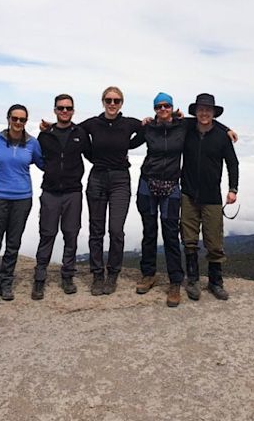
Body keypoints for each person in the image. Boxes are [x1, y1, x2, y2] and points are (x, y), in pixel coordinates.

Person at [130, 92, 236, 307]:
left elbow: (211, 128)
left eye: (166, 106)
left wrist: (227, 130)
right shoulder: (157, 127)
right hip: (153, 186)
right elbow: (131, 144)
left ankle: (183, 282)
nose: (163, 109)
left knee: (176, 236)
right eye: (158, 106)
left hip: (179, 188)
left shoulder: (184, 126)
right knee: (153, 232)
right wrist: (139, 125)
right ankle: (156, 276)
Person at [80, 87, 143, 296]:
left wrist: (128, 145)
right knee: (96, 230)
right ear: (103, 101)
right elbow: (73, 132)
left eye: (116, 100)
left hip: (120, 180)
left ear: (122, 103)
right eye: (109, 100)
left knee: (116, 229)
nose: (112, 104)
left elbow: (145, 131)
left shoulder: (128, 123)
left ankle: (113, 274)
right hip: (97, 177)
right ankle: (98, 275)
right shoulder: (92, 124)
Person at [31, 94, 91, 300]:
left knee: (71, 234)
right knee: (47, 234)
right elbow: (39, 159)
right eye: (61, 108)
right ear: (55, 110)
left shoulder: (80, 133)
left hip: (73, 191)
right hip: (50, 191)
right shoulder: (45, 135)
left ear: (73, 110)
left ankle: (68, 276)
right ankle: (39, 278)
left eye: (68, 108)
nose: (64, 111)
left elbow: (91, 153)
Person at [180, 93, 239, 301]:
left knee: (214, 243)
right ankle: (193, 281)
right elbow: (174, 119)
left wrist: (233, 189)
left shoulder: (221, 137)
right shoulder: (187, 129)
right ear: (195, 112)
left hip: (212, 196)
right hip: (188, 193)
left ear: (214, 113)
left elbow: (233, 163)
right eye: (201, 109)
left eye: (208, 110)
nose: (204, 113)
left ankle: (216, 282)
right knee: (189, 240)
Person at [0, 104, 44, 303]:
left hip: (22, 198)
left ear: (26, 121)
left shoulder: (32, 143)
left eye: (22, 120)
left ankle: (6, 282)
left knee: (13, 244)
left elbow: (43, 163)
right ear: (8, 118)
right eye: (15, 118)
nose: (18, 123)